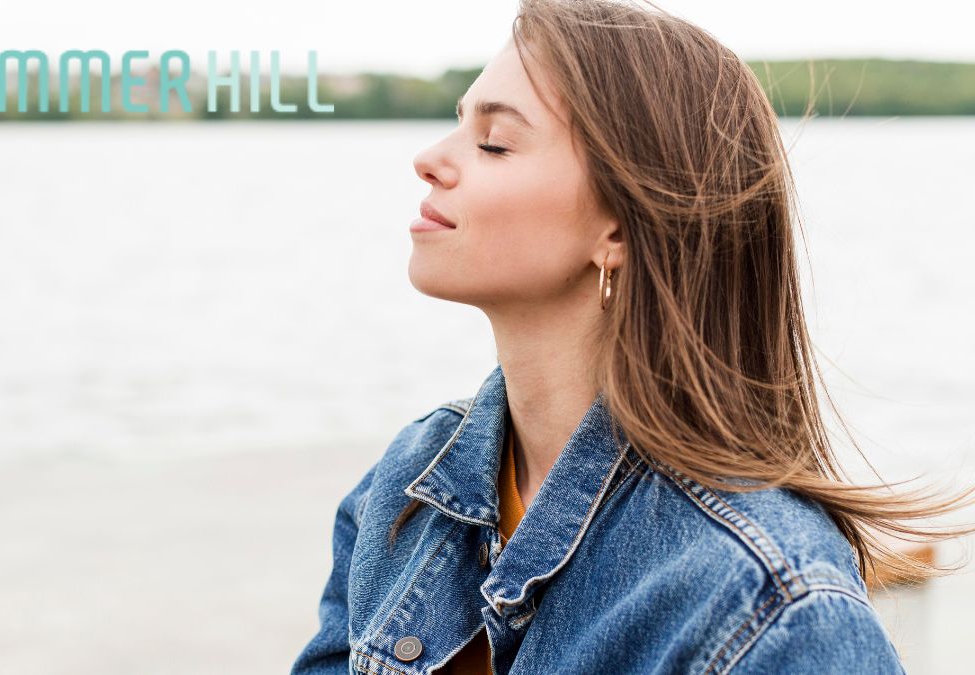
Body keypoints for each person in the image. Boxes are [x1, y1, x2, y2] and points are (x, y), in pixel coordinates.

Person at [291, 0, 975, 673]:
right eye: (456, 124)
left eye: (494, 142)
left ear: (617, 226)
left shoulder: (771, 603)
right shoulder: (406, 484)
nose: (430, 159)